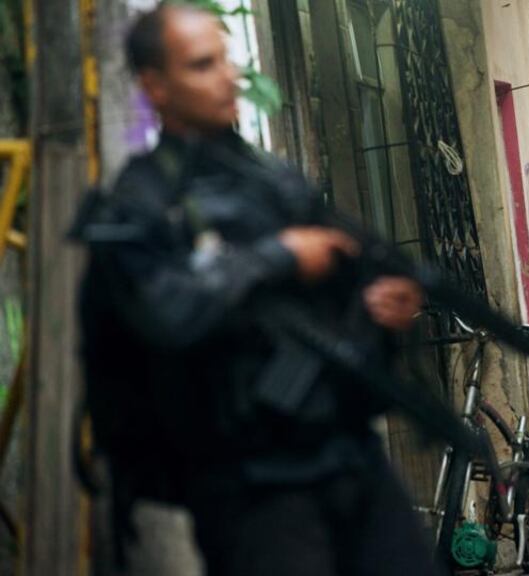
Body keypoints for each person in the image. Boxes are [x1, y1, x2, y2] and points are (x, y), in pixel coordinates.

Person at [76, 5, 439, 575]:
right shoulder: (137, 203)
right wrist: (280, 256)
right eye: (202, 65)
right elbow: (169, 313)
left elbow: (321, 298)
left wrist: (371, 307)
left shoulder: (268, 178)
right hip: (253, 489)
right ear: (156, 87)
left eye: (226, 58)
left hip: (347, 458)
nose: (228, 76)